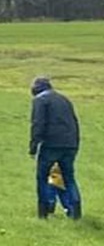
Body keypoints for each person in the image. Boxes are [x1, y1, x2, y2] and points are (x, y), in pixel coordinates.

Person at [30, 76, 82, 219]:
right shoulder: (64, 99)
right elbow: (74, 121)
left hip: (51, 144)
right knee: (69, 178)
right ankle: (76, 211)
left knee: (42, 177)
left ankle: (44, 211)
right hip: (70, 144)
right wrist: (75, 143)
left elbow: (38, 124)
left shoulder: (40, 100)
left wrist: (33, 146)